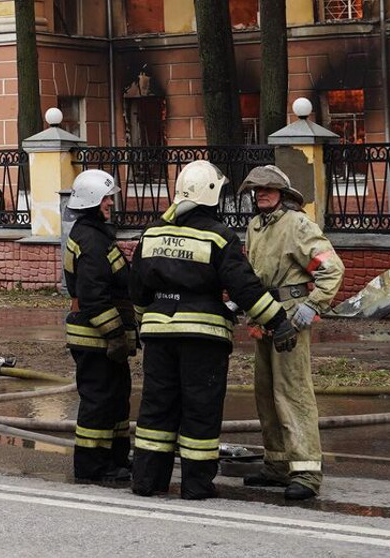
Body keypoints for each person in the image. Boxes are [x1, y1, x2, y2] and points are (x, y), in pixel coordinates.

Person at [130, 160, 295, 501]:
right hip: (202, 339)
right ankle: (195, 485)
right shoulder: (219, 236)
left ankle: (147, 480)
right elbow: (244, 288)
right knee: (200, 410)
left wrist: (148, 321)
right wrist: (278, 321)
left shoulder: (152, 233)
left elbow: (137, 291)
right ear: (211, 195)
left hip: (158, 336)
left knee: (156, 408)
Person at [239, 165, 344, 502]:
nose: (261, 194)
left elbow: (331, 268)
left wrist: (313, 305)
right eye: (257, 190)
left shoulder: (298, 224)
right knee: (266, 393)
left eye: (268, 189)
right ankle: (278, 464)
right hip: (264, 315)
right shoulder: (255, 226)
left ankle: (306, 472)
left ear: (282, 194)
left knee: (292, 392)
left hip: (292, 317)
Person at [62, 168, 134, 483]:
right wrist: (115, 334)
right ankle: (92, 467)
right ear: (92, 200)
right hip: (95, 339)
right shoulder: (91, 239)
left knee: (115, 398)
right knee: (99, 401)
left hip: (102, 339)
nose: (110, 203)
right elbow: (93, 296)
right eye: (106, 198)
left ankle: (115, 459)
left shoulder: (96, 234)